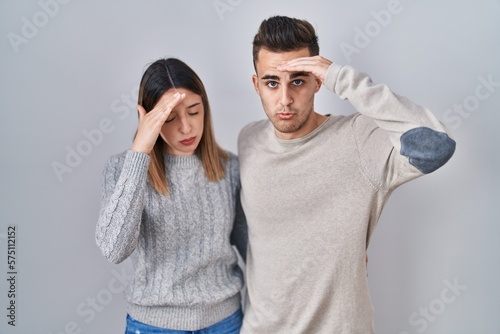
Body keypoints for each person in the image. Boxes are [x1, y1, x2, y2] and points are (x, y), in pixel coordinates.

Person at [237, 16, 456, 333]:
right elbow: (252, 234)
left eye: (298, 80)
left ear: (317, 81)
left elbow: (437, 146)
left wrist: (343, 78)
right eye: (272, 83)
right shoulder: (249, 140)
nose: (284, 98)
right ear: (257, 85)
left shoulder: (359, 139)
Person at [95, 58, 247, 334]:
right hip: (155, 325)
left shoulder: (231, 169)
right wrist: (140, 150)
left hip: (225, 322)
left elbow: (252, 249)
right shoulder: (121, 169)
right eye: (169, 118)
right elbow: (114, 249)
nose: (186, 128)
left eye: (193, 111)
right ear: (149, 120)